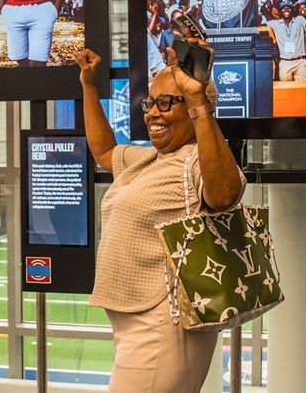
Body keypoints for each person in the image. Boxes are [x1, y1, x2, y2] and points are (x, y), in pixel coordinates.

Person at [77, 41, 245, 392]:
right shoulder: (149, 160)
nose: (153, 112)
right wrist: (89, 87)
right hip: (137, 322)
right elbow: (104, 150)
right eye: (150, 103)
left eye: (167, 102)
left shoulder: (196, 160)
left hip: (163, 324)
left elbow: (226, 193)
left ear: (195, 106)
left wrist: (198, 99)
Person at [266, 1, 306, 81]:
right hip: (285, 62)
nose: (286, 9)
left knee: (302, 90)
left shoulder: (299, 20)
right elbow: (260, 26)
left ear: (292, 10)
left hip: (300, 62)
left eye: (288, 7)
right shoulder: (275, 24)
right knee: (286, 90)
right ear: (280, 11)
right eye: (283, 8)